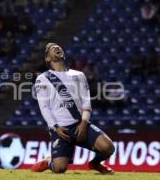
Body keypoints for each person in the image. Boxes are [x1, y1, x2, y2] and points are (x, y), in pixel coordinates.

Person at [31, 43, 115, 174]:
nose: (57, 48)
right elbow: (44, 107)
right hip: (60, 129)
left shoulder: (79, 75)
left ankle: (95, 163)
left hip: (79, 125)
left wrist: (84, 123)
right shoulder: (42, 79)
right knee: (60, 169)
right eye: (52, 48)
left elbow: (86, 101)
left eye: (58, 47)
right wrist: (55, 127)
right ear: (47, 58)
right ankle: (49, 162)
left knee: (109, 148)